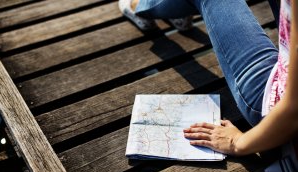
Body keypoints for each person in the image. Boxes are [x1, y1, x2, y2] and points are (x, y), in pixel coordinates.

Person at [119, 0, 298, 159]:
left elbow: (292, 112)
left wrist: (238, 143)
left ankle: (140, 6)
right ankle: (176, 9)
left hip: (274, 107)